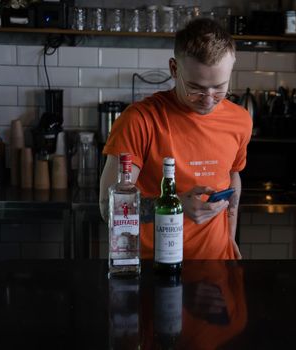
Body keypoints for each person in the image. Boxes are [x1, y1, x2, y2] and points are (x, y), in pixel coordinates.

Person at [99, 18, 252, 260]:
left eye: (219, 87)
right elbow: (109, 208)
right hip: (155, 268)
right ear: (174, 69)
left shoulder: (240, 119)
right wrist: (174, 204)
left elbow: (233, 175)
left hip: (217, 264)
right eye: (196, 88)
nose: (208, 98)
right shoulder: (140, 120)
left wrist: (230, 237)